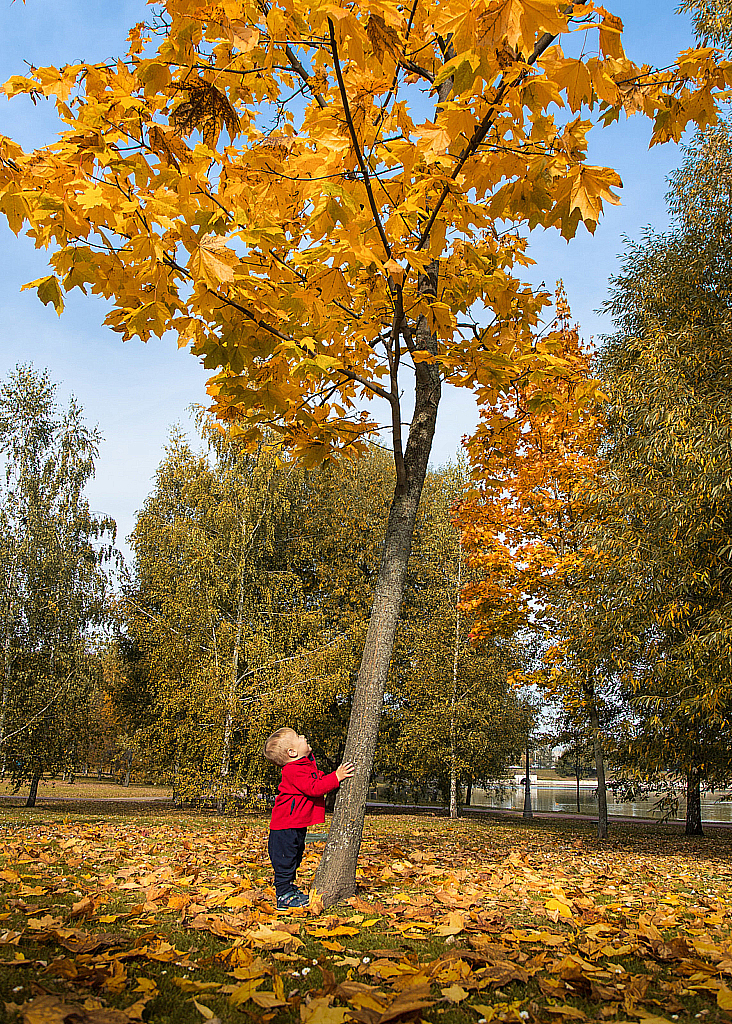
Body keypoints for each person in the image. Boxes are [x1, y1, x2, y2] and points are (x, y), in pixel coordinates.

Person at [263, 728, 355, 910]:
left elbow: (316, 777)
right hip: (285, 826)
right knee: (285, 861)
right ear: (292, 752)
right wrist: (336, 777)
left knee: (295, 857)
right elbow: (314, 787)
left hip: (294, 824)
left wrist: (330, 776)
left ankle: (289, 889)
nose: (303, 737)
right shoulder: (293, 770)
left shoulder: (303, 766)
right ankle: (283, 895)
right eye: (298, 737)